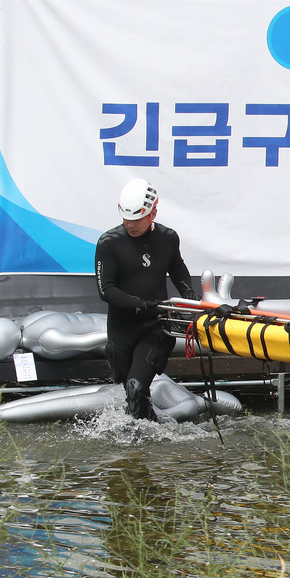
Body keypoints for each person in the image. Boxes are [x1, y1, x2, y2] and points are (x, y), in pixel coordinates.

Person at [94, 178, 197, 420]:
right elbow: (105, 290)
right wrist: (139, 304)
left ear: (152, 213)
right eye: (126, 219)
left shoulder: (168, 238)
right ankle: (148, 439)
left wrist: (189, 297)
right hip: (122, 330)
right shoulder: (108, 243)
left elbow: (178, 270)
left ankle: (136, 445)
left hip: (156, 326)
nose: (130, 224)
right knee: (135, 393)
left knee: (136, 386)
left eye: (137, 219)